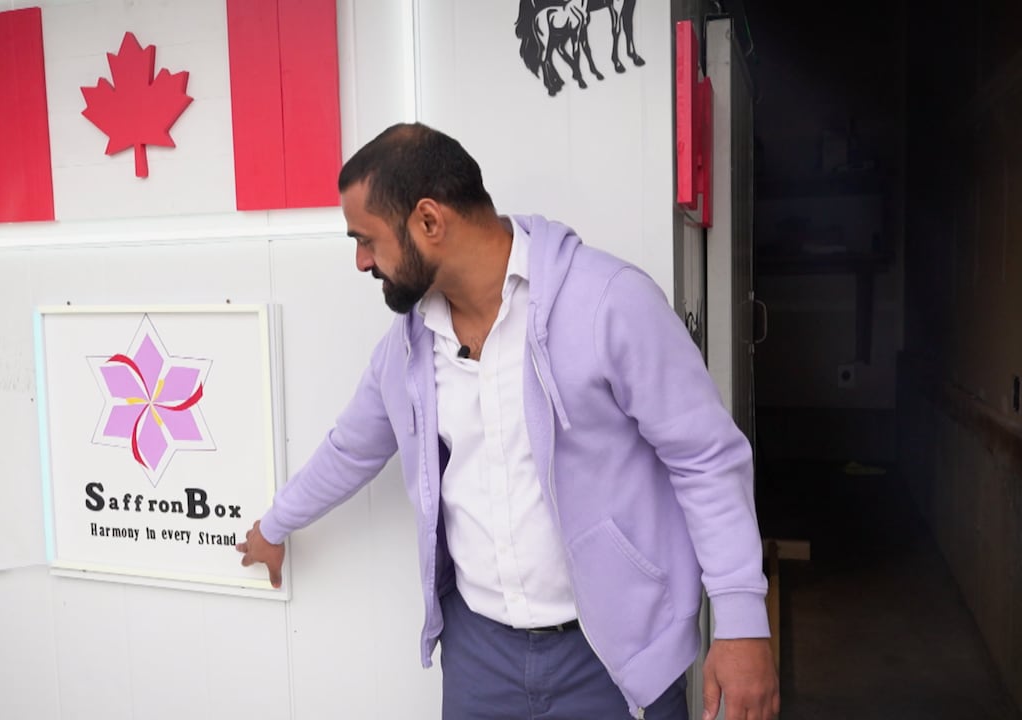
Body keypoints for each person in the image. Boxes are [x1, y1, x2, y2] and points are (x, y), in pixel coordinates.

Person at [236, 123, 779, 720]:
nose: (362, 260)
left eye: (366, 239)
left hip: (612, 656)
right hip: (478, 655)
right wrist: (274, 525)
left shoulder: (609, 302)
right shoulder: (410, 345)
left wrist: (742, 622)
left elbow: (704, 457)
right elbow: (352, 448)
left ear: (429, 221)